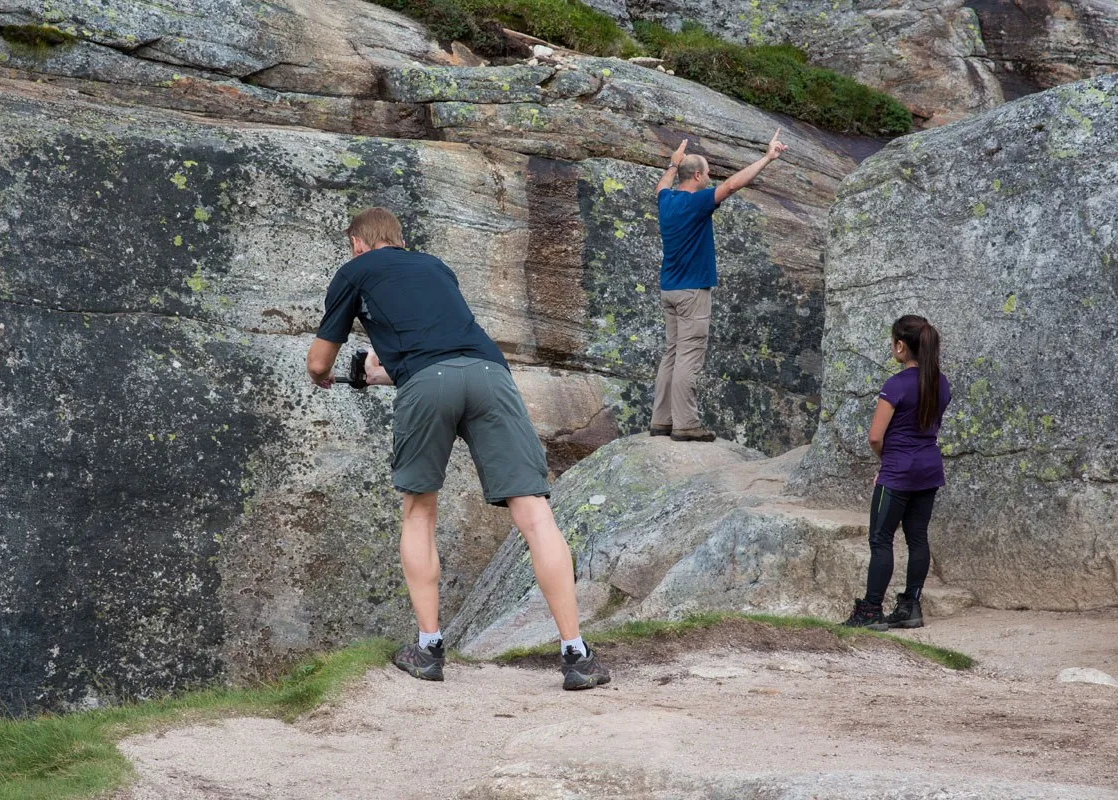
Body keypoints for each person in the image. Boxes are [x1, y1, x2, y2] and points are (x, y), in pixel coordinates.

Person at [307, 207, 610, 691]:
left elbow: (320, 359)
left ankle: (428, 648)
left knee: (419, 512)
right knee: (534, 514)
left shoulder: (355, 270)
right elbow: (441, 348)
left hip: (430, 383)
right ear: (399, 240)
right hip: (491, 375)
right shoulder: (434, 267)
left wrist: (324, 374)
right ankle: (576, 653)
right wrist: (377, 371)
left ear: (358, 243)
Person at [650, 130, 789, 442]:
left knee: (671, 353)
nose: (710, 178)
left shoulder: (667, 201)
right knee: (689, 356)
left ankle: (661, 420)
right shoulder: (697, 203)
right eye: (708, 173)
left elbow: (661, 186)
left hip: (669, 288)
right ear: (698, 175)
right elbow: (732, 185)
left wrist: (672, 164)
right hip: (691, 291)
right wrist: (767, 157)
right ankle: (685, 424)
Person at [843, 315, 952, 631]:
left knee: (881, 538)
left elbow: (875, 437)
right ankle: (910, 606)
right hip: (929, 469)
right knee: (917, 537)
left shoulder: (895, 385)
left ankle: (870, 611)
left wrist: (886, 463)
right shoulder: (940, 383)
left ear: (900, 346)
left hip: (898, 472)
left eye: (893, 342)